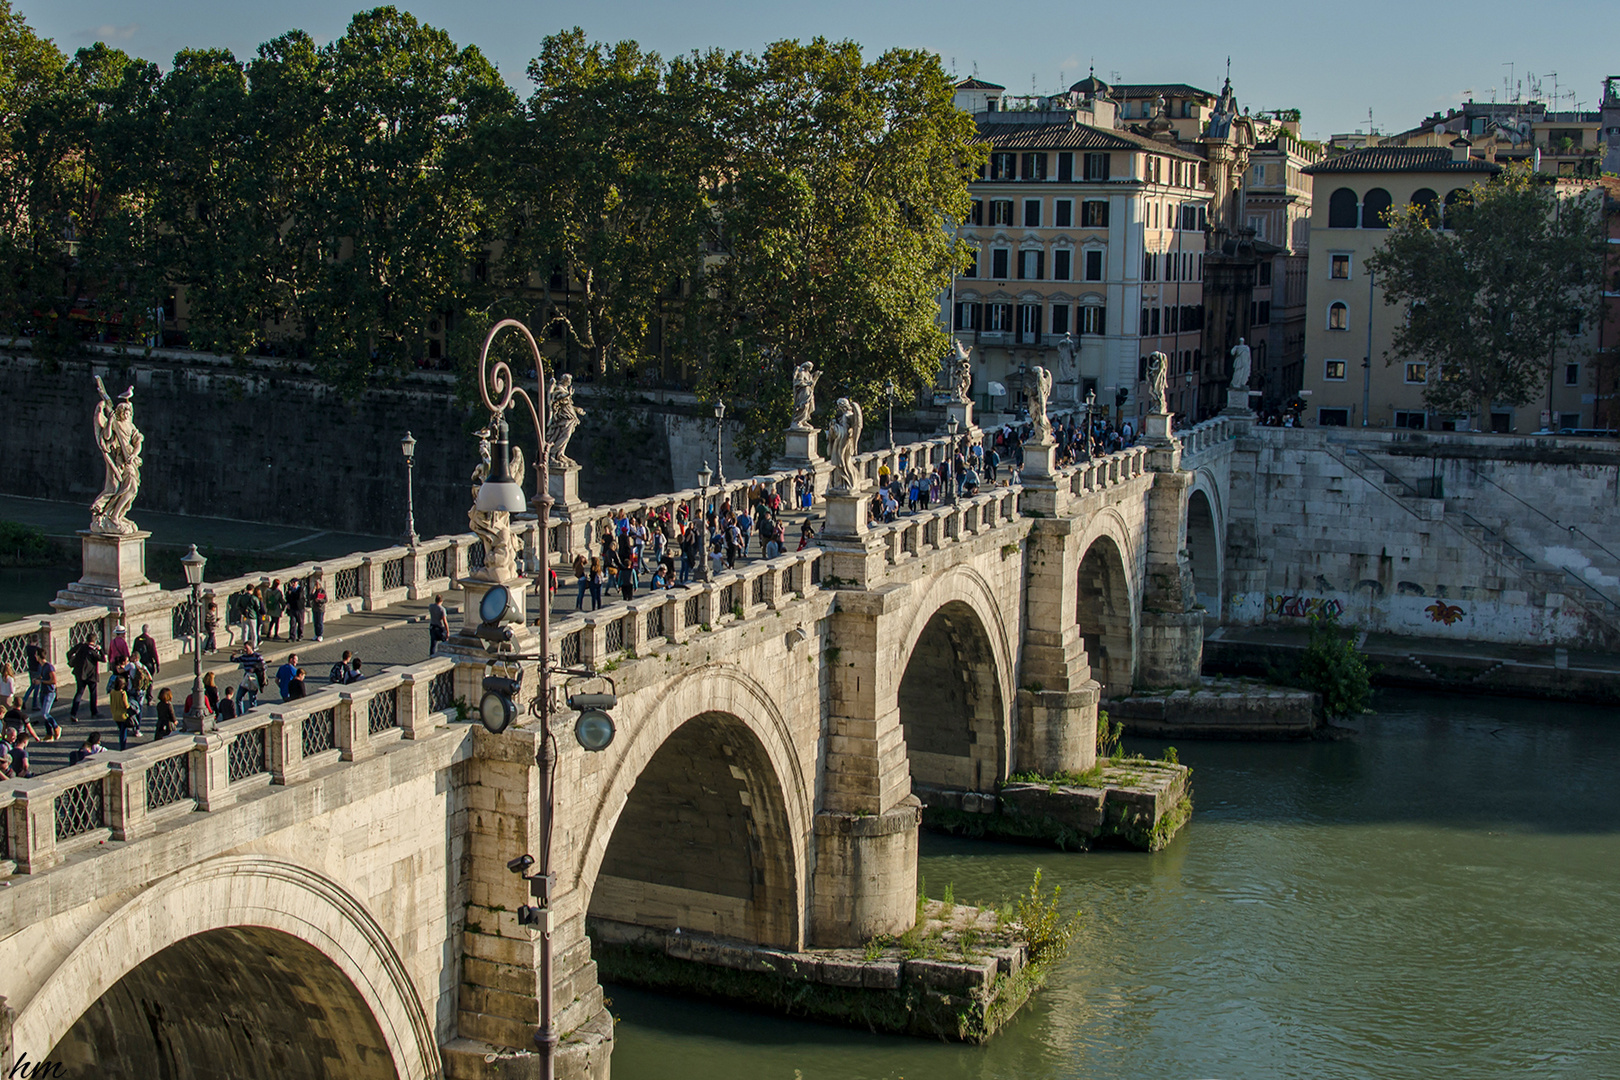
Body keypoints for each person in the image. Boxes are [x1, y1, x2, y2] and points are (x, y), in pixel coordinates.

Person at [67, 634, 105, 720]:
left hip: (80, 673)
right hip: (91, 675)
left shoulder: (80, 646)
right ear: (94, 641)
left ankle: (73, 713)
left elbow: (69, 653)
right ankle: (94, 711)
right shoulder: (93, 651)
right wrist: (101, 650)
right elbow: (103, 659)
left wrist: (74, 662)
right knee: (93, 693)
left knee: (79, 693)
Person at [110, 675, 138, 750]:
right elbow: (126, 705)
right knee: (123, 732)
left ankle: (122, 746)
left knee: (121, 730)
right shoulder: (123, 693)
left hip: (115, 714)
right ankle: (123, 747)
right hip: (123, 715)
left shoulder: (112, 692)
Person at [285, 577, 306, 641]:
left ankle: (300, 635)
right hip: (292, 608)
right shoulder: (290, 589)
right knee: (292, 623)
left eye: (294, 583)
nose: (293, 584)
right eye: (292, 583)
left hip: (299, 608)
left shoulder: (300, 589)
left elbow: (298, 597)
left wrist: (291, 594)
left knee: (300, 622)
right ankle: (292, 636)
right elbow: (287, 597)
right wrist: (288, 603)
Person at [308, 573, 327, 641]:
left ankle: (320, 634)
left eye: (317, 584)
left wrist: (319, 600)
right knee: (315, 622)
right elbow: (310, 598)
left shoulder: (322, 591)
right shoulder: (315, 591)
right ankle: (316, 634)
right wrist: (312, 592)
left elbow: (325, 600)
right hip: (315, 608)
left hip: (320, 608)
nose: (316, 586)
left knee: (320, 622)